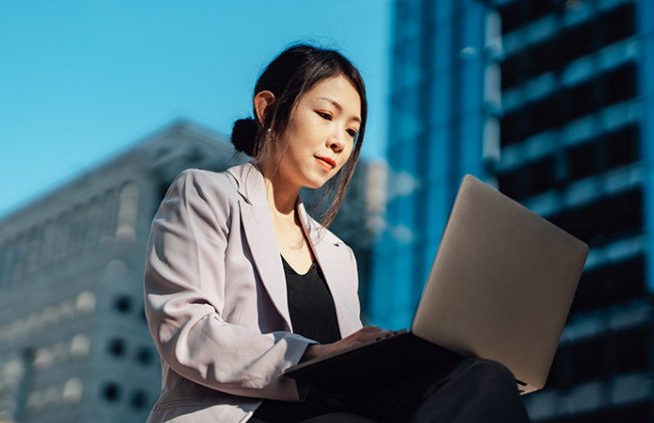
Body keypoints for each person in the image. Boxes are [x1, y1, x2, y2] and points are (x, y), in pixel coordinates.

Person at [143, 44, 530, 423]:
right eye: (326, 115)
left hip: (338, 412)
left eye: (352, 130)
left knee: (483, 377)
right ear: (267, 108)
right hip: (242, 415)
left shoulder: (337, 254)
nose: (339, 141)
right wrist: (313, 356)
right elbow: (186, 331)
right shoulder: (206, 193)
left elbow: (352, 369)